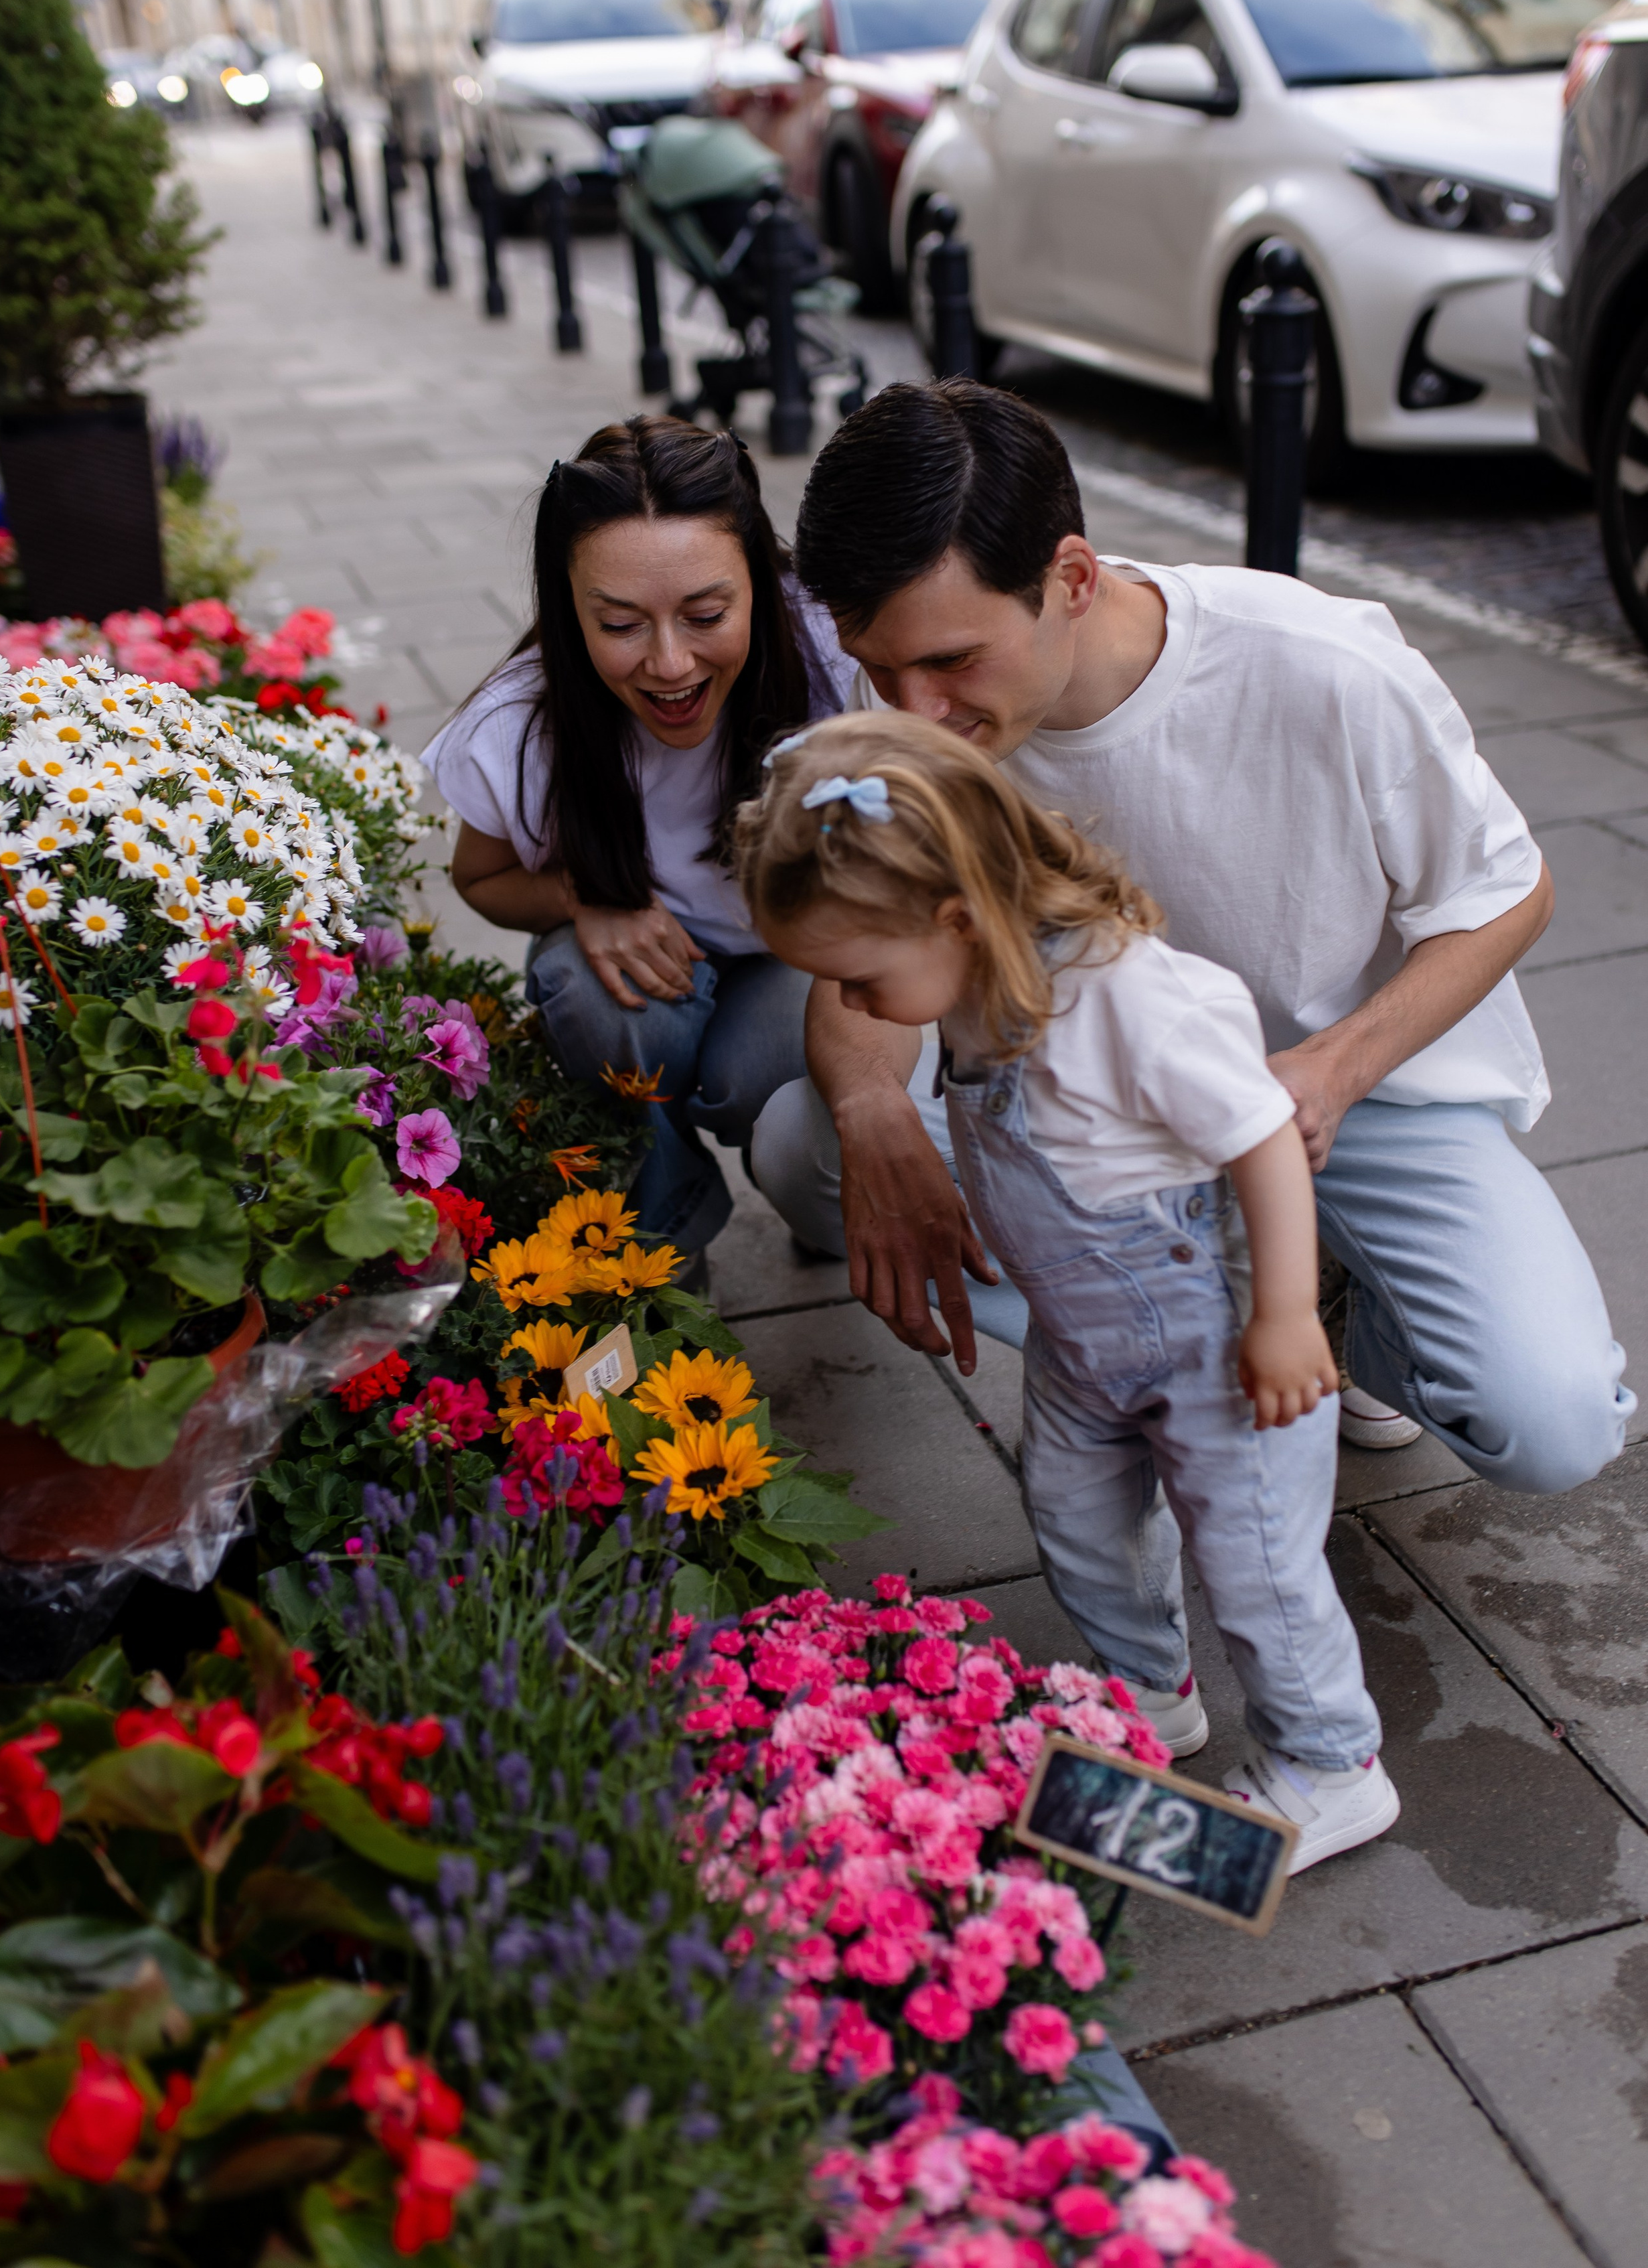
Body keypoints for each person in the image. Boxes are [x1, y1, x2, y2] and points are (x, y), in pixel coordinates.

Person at [753, 380, 1632, 1494]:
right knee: (808, 1146)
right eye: (879, 666)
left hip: (1356, 1098)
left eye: (955, 663)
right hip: (1087, 1103)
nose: (913, 712)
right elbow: (861, 967)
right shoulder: (906, 725)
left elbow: (1511, 893)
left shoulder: (1324, 667)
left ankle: (1334, 1307)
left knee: (1551, 1426)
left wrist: (1331, 1072)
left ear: (1071, 580)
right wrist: (875, 1107)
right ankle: (1199, 1345)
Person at [738, 712, 1399, 1867]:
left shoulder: (1127, 999)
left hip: (1215, 1338)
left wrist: (1287, 1315)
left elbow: (1264, 1142)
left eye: (857, 978)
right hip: (1084, 1342)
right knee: (1080, 1522)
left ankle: (1332, 1763)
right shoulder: (968, 969)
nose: (845, 1005)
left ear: (953, 915)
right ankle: (1150, 1693)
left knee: (1256, 1562)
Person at [424, 415, 846, 1264]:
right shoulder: (520, 723)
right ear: (568, 608)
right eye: (619, 625)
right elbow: (480, 878)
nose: (669, 664)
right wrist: (582, 899)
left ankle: (799, 1178)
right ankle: (663, 1227)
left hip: (790, 955)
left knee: (777, 1060)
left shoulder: (837, 657)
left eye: (706, 614)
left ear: (760, 580)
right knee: (590, 995)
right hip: (644, 975)